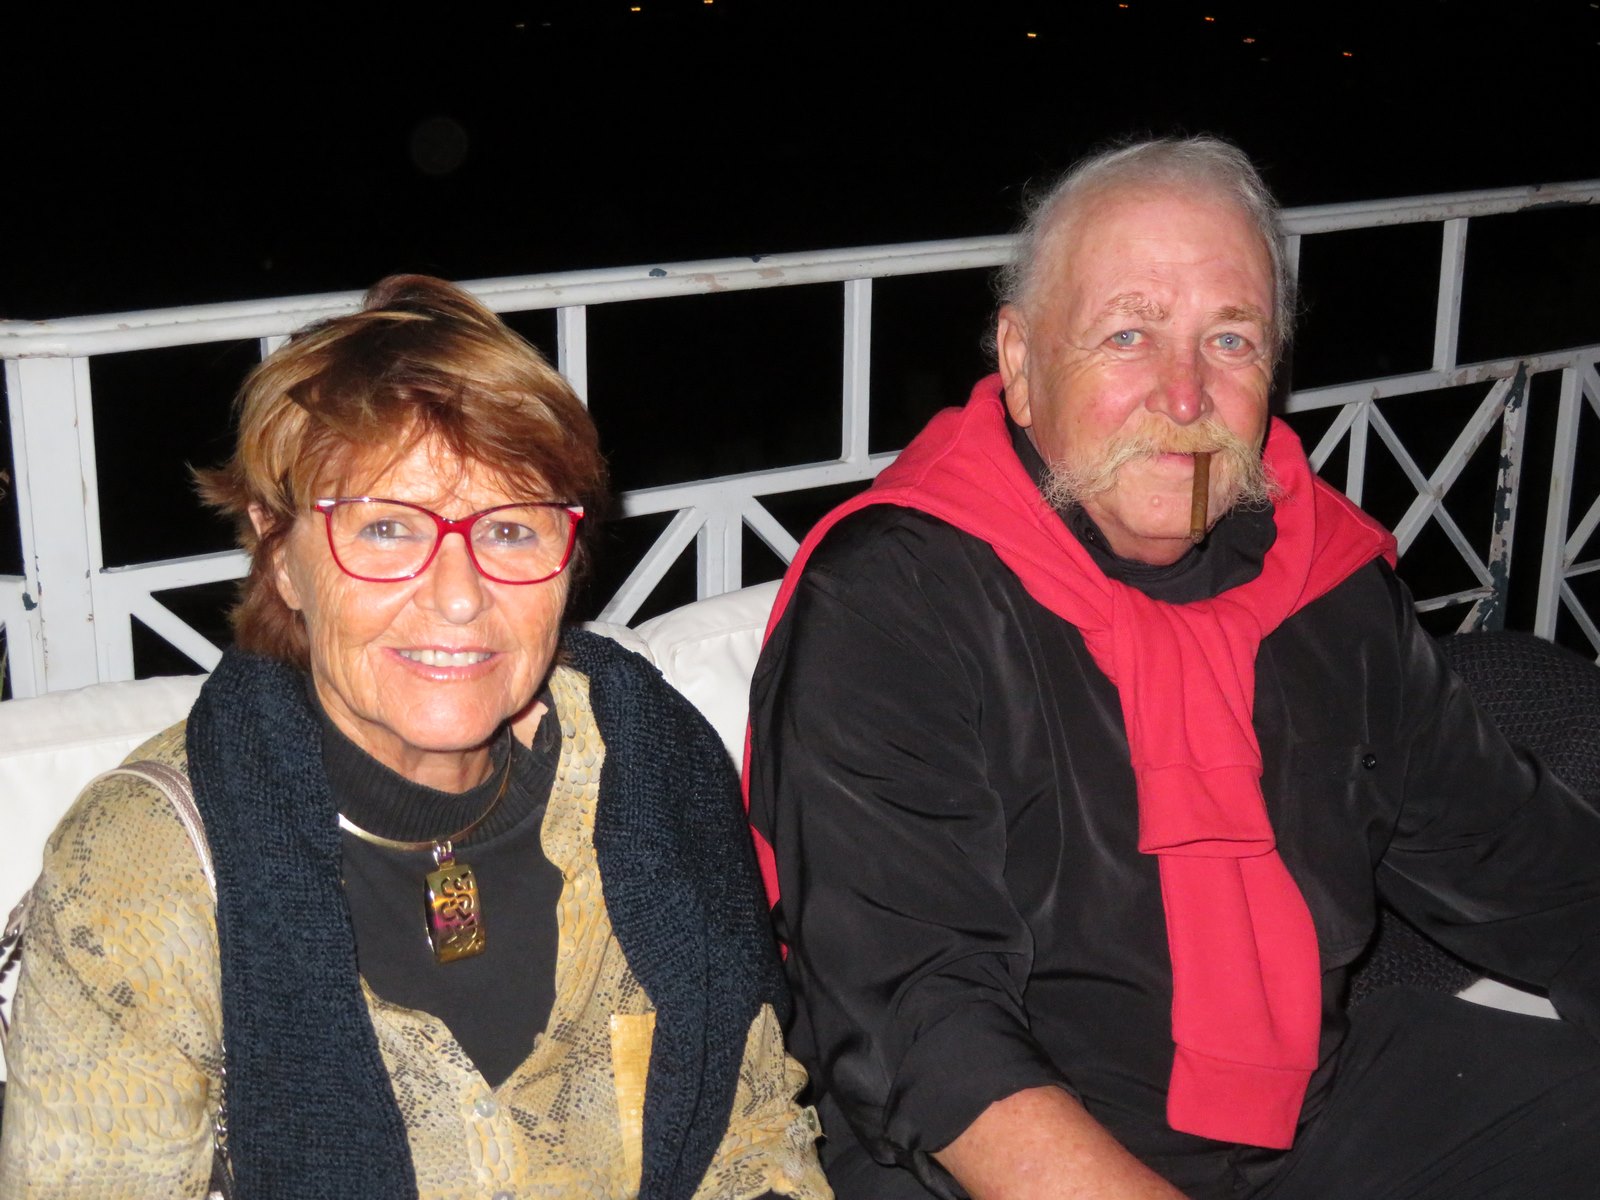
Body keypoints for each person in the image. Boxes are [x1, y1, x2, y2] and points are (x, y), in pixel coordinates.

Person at [745, 138, 1600, 1200]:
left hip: (1305, 1106)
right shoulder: (895, 599)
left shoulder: (1323, 582)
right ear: (1020, 364)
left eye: (1229, 340)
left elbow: (1521, 861)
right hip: (989, 1155)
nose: (1185, 397)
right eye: (1128, 334)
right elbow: (917, 1023)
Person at [0, 275, 829, 1200]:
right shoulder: (141, 871)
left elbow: (752, 1135)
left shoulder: (651, 769)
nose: (461, 596)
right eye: (388, 528)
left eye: (510, 530)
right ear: (280, 555)